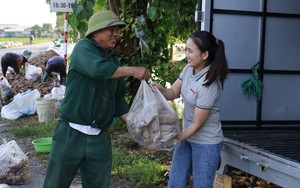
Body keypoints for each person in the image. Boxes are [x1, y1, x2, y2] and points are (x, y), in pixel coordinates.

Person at [43, 10, 150, 188]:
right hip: (71, 134)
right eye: (112, 29)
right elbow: (97, 70)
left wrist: (135, 123)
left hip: (99, 137)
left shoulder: (114, 61)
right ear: (96, 32)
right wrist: (133, 70)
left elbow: (118, 102)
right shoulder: (83, 48)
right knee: (55, 184)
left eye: (118, 30)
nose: (116, 34)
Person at [152, 31, 229, 188]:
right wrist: (159, 89)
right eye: (186, 49)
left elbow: (196, 124)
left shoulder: (209, 85)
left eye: (190, 51)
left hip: (206, 143)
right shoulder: (188, 70)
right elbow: (172, 93)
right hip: (186, 137)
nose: (186, 54)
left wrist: (174, 138)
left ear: (205, 55)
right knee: (175, 184)